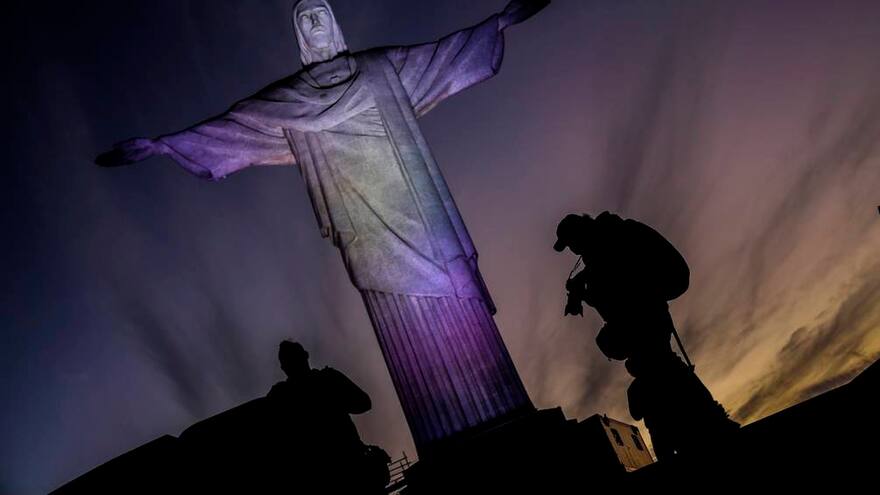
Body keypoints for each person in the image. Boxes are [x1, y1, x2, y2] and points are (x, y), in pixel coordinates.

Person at [95, 0, 550, 453]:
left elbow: (445, 55)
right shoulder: (291, 100)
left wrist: (500, 22)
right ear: (299, 35)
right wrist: (162, 146)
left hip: (419, 213)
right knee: (407, 328)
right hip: (363, 230)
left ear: (334, 24)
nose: (314, 22)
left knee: (454, 301)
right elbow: (233, 128)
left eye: (320, 13)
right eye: (304, 18)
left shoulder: (380, 68)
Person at [554, 212, 738, 460]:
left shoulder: (610, 244)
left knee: (657, 370)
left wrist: (584, 294)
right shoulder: (604, 246)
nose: (573, 250)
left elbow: (616, 295)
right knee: (660, 367)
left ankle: (700, 429)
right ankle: (706, 425)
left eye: (572, 243)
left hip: (644, 316)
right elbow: (608, 285)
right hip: (646, 317)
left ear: (580, 233)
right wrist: (582, 287)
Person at [267, 340, 389, 492]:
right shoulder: (327, 379)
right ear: (305, 356)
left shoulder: (280, 395)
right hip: (348, 468)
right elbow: (363, 403)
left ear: (284, 367)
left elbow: (364, 403)